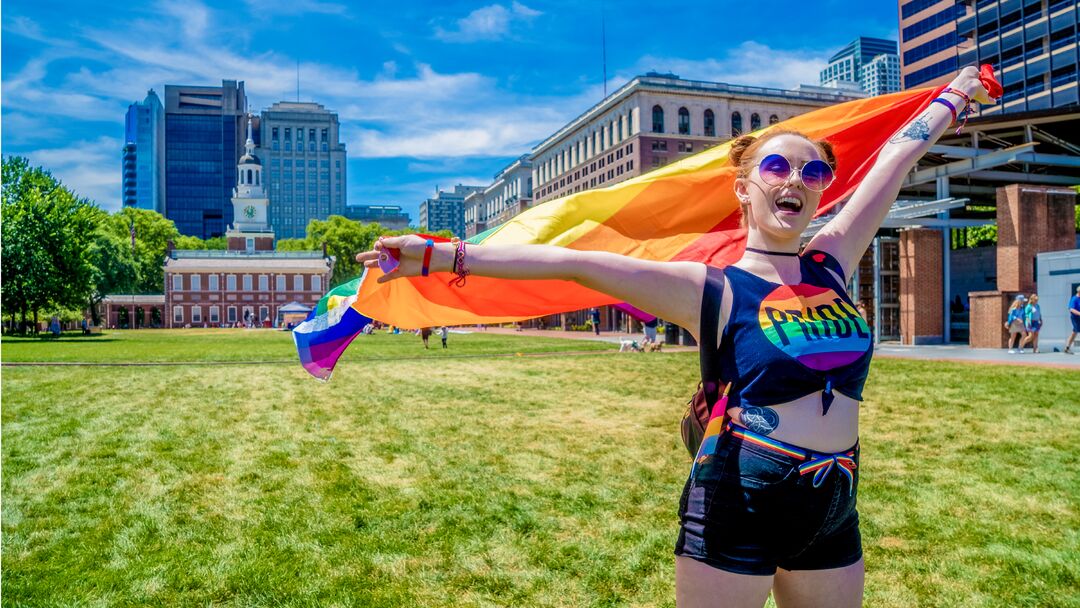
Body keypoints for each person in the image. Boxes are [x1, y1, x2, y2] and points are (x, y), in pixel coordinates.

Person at [356, 68, 991, 608]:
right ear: (744, 188)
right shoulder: (709, 286)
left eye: (812, 170)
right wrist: (438, 257)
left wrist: (954, 96)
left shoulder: (832, 259)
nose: (795, 179)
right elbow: (578, 263)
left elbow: (896, 158)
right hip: (739, 494)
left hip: (834, 497)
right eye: (777, 166)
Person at [1066, 285, 1080, 354]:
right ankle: (1067, 347)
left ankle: (1067, 347)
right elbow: (1071, 309)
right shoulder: (1074, 299)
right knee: (1075, 331)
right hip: (1075, 318)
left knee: (1075, 332)